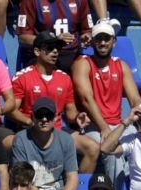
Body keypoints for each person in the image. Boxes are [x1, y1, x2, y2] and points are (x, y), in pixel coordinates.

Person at [10, 32, 99, 172]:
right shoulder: (22, 77)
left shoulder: (64, 78)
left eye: (57, 48)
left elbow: (70, 111)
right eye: (50, 48)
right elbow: (11, 110)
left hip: (57, 130)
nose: (55, 51)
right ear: (37, 51)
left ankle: (78, 188)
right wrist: (30, 123)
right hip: (30, 131)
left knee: (92, 148)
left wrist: (77, 117)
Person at [72, 21, 141, 188]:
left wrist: (139, 121)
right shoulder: (83, 63)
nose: (103, 43)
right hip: (94, 126)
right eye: (99, 39)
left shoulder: (121, 65)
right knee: (111, 151)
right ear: (93, 41)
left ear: (114, 41)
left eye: (107, 38)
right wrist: (104, 127)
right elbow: (87, 99)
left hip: (117, 124)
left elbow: (135, 99)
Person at [11, 97, 81, 190]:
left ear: (56, 117)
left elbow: (72, 178)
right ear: (32, 116)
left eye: (48, 115)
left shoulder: (66, 140)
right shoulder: (21, 139)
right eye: (40, 115)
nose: (44, 119)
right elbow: (22, 180)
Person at [15, 0, 92, 73]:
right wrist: (53, 40)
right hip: (45, 55)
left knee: (84, 68)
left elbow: (88, 30)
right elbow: (23, 38)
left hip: (73, 55)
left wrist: (86, 37)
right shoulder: (30, 1)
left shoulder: (80, 1)